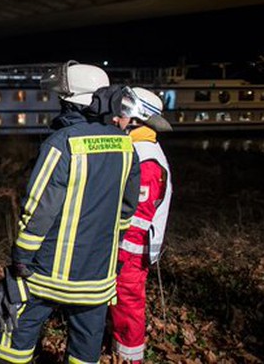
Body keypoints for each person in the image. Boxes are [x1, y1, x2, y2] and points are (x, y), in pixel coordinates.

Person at [0, 60, 141, 364]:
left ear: (69, 101)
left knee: (17, 338)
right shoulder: (126, 146)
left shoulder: (61, 143)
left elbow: (39, 210)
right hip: (98, 277)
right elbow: (126, 213)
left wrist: (21, 257)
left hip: (48, 275)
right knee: (85, 351)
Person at [109, 87, 173, 363]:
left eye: (121, 112)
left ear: (137, 117)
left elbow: (137, 219)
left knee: (127, 306)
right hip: (127, 249)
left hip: (132, 253)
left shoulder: (145, 158)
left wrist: (119, 258)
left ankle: (130, 357)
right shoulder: (137, 148)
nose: (115, 118)